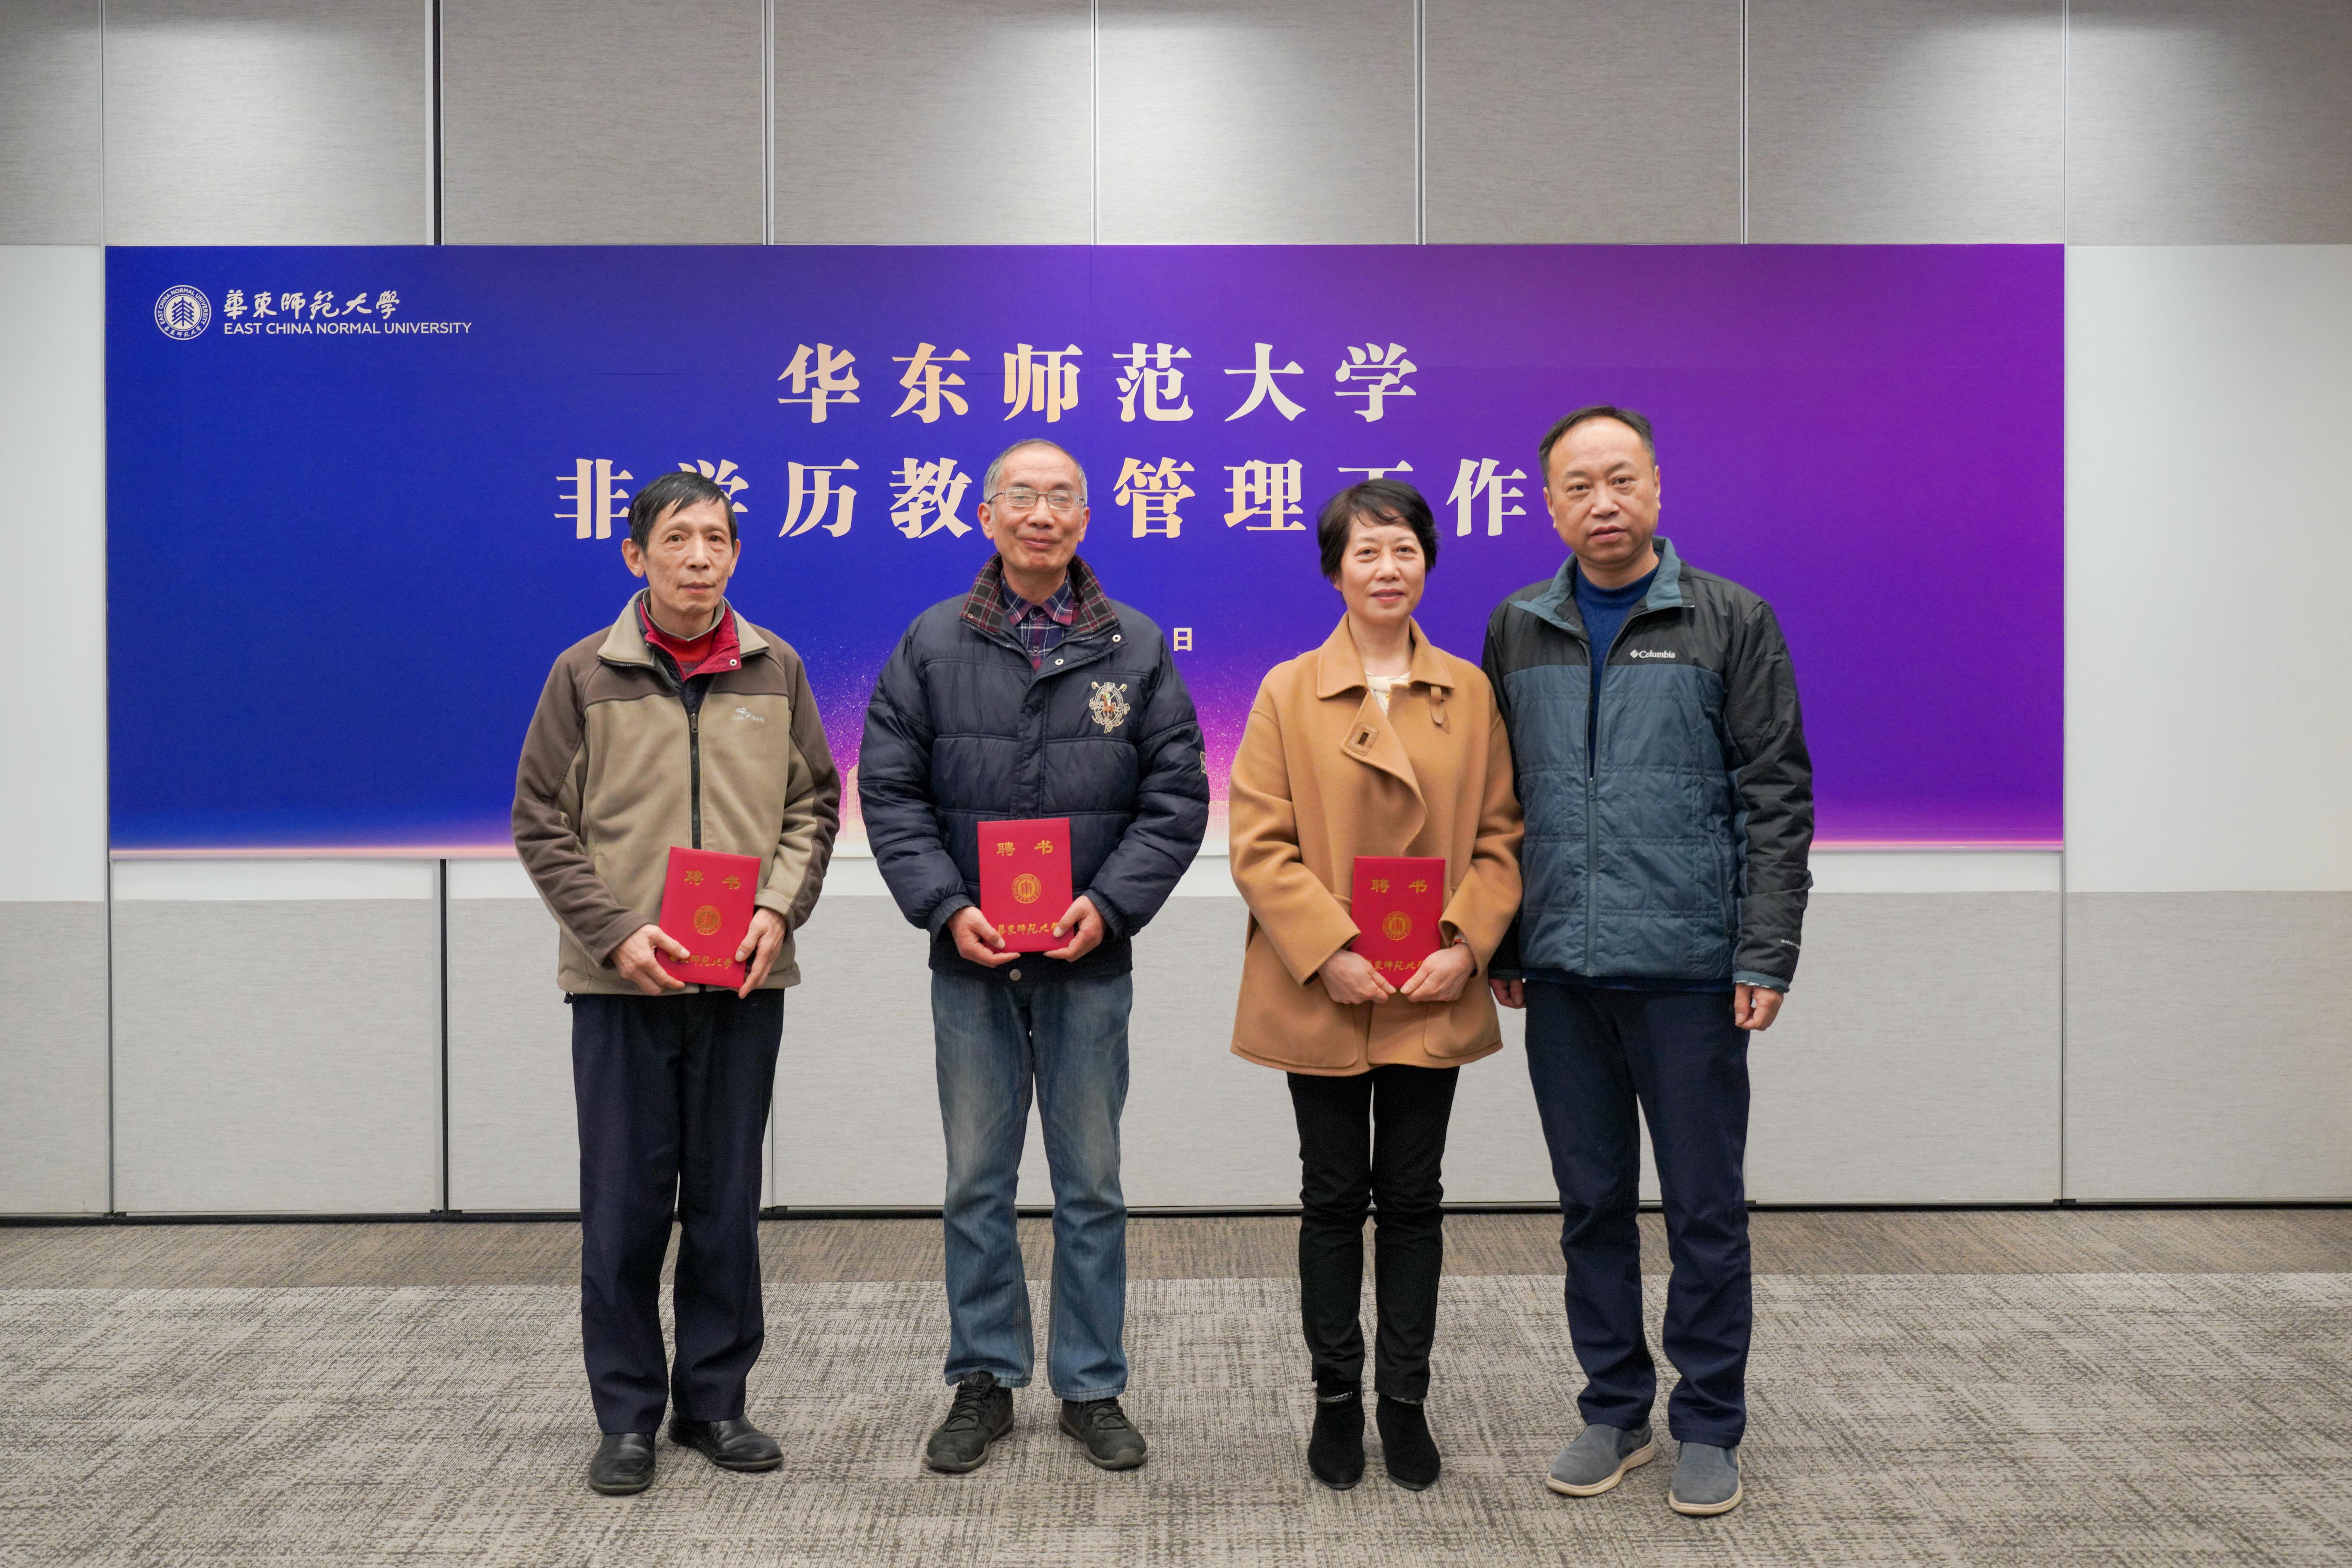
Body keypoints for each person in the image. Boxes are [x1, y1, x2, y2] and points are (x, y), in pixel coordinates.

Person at [1482, 406, 1812, 1517]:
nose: (1603, 502)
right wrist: (1504, 937)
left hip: (1690, 972)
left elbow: (1776, 795)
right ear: (1549, 505)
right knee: (1589, 1205)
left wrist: (1765, 948)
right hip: (1563, 975)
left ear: (1657, 489)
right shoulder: (1517, 627)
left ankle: (1709, 1420)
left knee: (1705, 1210)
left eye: (1620, 479)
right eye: (1579, 485)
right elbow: (1497, 799)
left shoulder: (1730, 619)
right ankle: (1614, 1406)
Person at [860, 437, 1209, 1475]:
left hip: (1087, 960)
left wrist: (1109, 905)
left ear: (1086, 520)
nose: (1041, 513)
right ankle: (983, 1375)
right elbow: (889, 791)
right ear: (985, 514)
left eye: (1061, 497)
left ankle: (1091, 1383)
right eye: (1022, 495)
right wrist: (944, 906)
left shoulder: (1134, 645)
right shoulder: (931, 641)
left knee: (1090, 1183)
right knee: (976, 1180)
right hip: (969, 958)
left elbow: (1175, 797)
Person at [513, 469, 841, 1496]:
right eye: (676, 538)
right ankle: (626, 1416)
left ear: (736, 553)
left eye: (716, 539)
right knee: (623, 1206)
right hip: (624, 984)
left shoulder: (775, 667)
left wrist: (776, 909)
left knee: (725, 1201)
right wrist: (614, 934)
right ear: (635, 554)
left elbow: (813, 806)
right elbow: (541, 821)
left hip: (741, 978)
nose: (699, 557)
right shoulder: (584, 673)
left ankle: (715, 1401)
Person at [1227, 480, 1524, 1493]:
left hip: (1430, 982)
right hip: (1325, 984)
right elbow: (1259, 843)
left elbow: (1500, 837)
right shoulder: (1285, 690)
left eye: (1402, 549)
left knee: (1411, 1198)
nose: (1386, 569)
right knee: (1327, 1198)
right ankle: (1333, 1399)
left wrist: (1466, 944)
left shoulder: (1469, 693)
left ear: (1426, 563)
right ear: (1334, 571)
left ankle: (1403, 1399)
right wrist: (1329, 948)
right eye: (1365, 552)